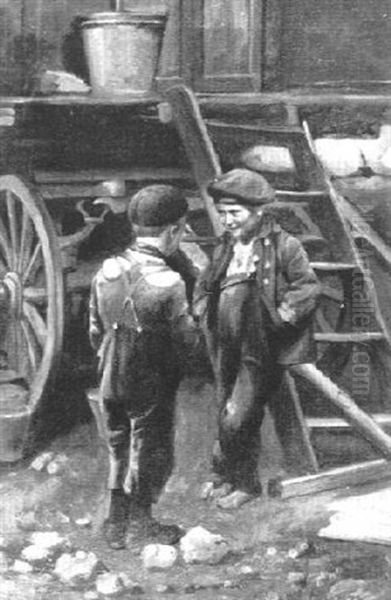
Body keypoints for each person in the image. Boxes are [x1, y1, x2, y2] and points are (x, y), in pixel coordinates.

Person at [197, 168, 321, 510]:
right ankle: (225, 477)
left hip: (259, 345)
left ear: (258, 212)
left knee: (240, 415)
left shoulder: (284, 245)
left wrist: (281, 317)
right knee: (225, 408)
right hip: (224, 343)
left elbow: (307, 287)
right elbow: (206, 284)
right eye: (222, 214)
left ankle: (247, 485)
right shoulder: (226, 246)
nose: (227, 221)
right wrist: (200, 310)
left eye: (234, 214)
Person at [89, 184, 200, 549]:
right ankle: (140, 526)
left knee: (118, 446)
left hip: (110, 373)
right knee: (150, 447)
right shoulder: (170, 282)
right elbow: (188, 339)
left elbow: (94, 330)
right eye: (180, 230)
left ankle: (113, 524)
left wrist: (110, 356)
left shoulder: (106, 271)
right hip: (149, 377)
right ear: (174, 231)